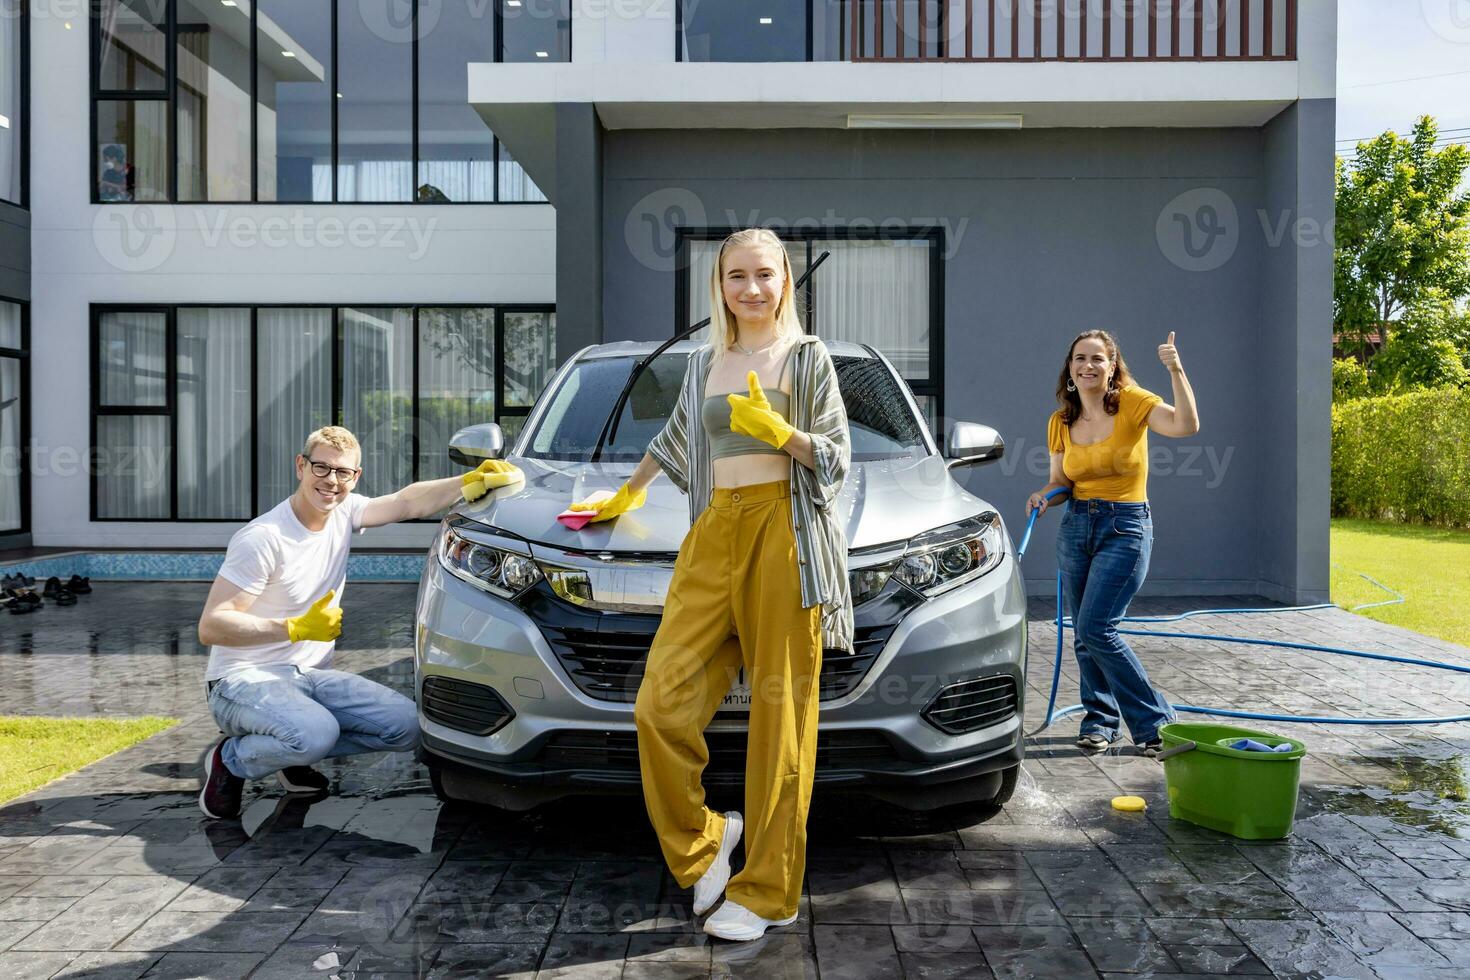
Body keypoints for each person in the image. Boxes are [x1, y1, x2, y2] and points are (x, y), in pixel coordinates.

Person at [567, 228, 852, 942]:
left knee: (780, 725)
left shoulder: (809, 358)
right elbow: (672, 440)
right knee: (658, 706)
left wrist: (783, 434)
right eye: (736, 276)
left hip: (783, 537)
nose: (751, 289)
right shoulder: (702, 363)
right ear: (718, 284)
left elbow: (838, 458)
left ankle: (772, 890)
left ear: (787, 281)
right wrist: (622, 497)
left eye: (764, 275)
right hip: (711, 534)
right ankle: (704, 840)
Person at [196, 425, 521, 819]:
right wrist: (293, 628)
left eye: (342, 472)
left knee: (410, 727)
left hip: (309, 675)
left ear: (355, 477)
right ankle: (230, 760)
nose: (331, 481)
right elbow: (212, 626)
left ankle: (289, 745)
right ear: (300, 466)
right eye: (321, 468)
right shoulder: (263, 538)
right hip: (241, 680)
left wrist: (468, 480)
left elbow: (406, 502)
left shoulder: (342, 511)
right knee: (314, 734)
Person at [1027, 330, 1200, 757]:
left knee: (1096, 627)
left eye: (1097, 359)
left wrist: (1175, 368)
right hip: (1076, 527)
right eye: (1080, 358)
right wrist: (1044, 495)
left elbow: (1186, 425)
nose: (1088, 366)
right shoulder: (1060, 421)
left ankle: (1156, 724)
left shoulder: (1133, 403)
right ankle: (1100, 722)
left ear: (1112, 365)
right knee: (1086, 635)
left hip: (1125, 528)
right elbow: (1062, 481)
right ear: (1069, 368)